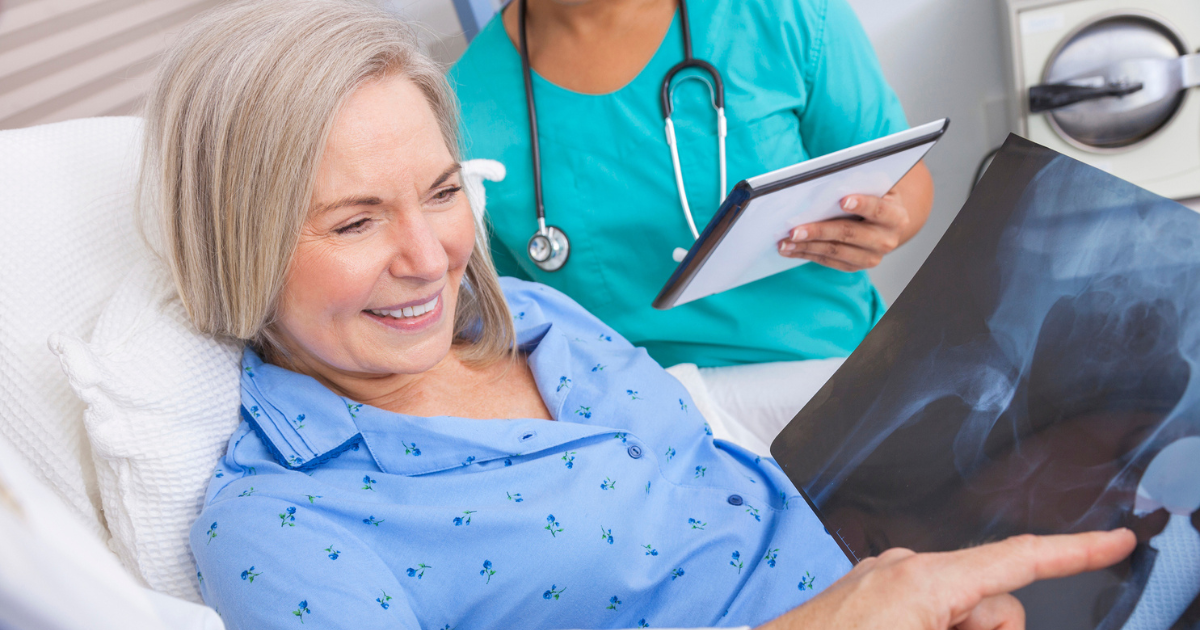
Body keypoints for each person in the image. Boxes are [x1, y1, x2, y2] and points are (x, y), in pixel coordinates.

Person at [147, 2, 1132, 629]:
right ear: (241, 243)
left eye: (445, 193)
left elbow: (728, 505)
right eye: (356, 221)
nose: (428, 257)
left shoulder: (537, 319)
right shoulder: (283, 519)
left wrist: (903, 597)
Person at [449, 0, 935, 375]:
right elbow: (500, 322)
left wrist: (889, 222)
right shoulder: (459, 108)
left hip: (827, 373)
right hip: (638, 425)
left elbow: (905, 180)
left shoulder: (778, 13)